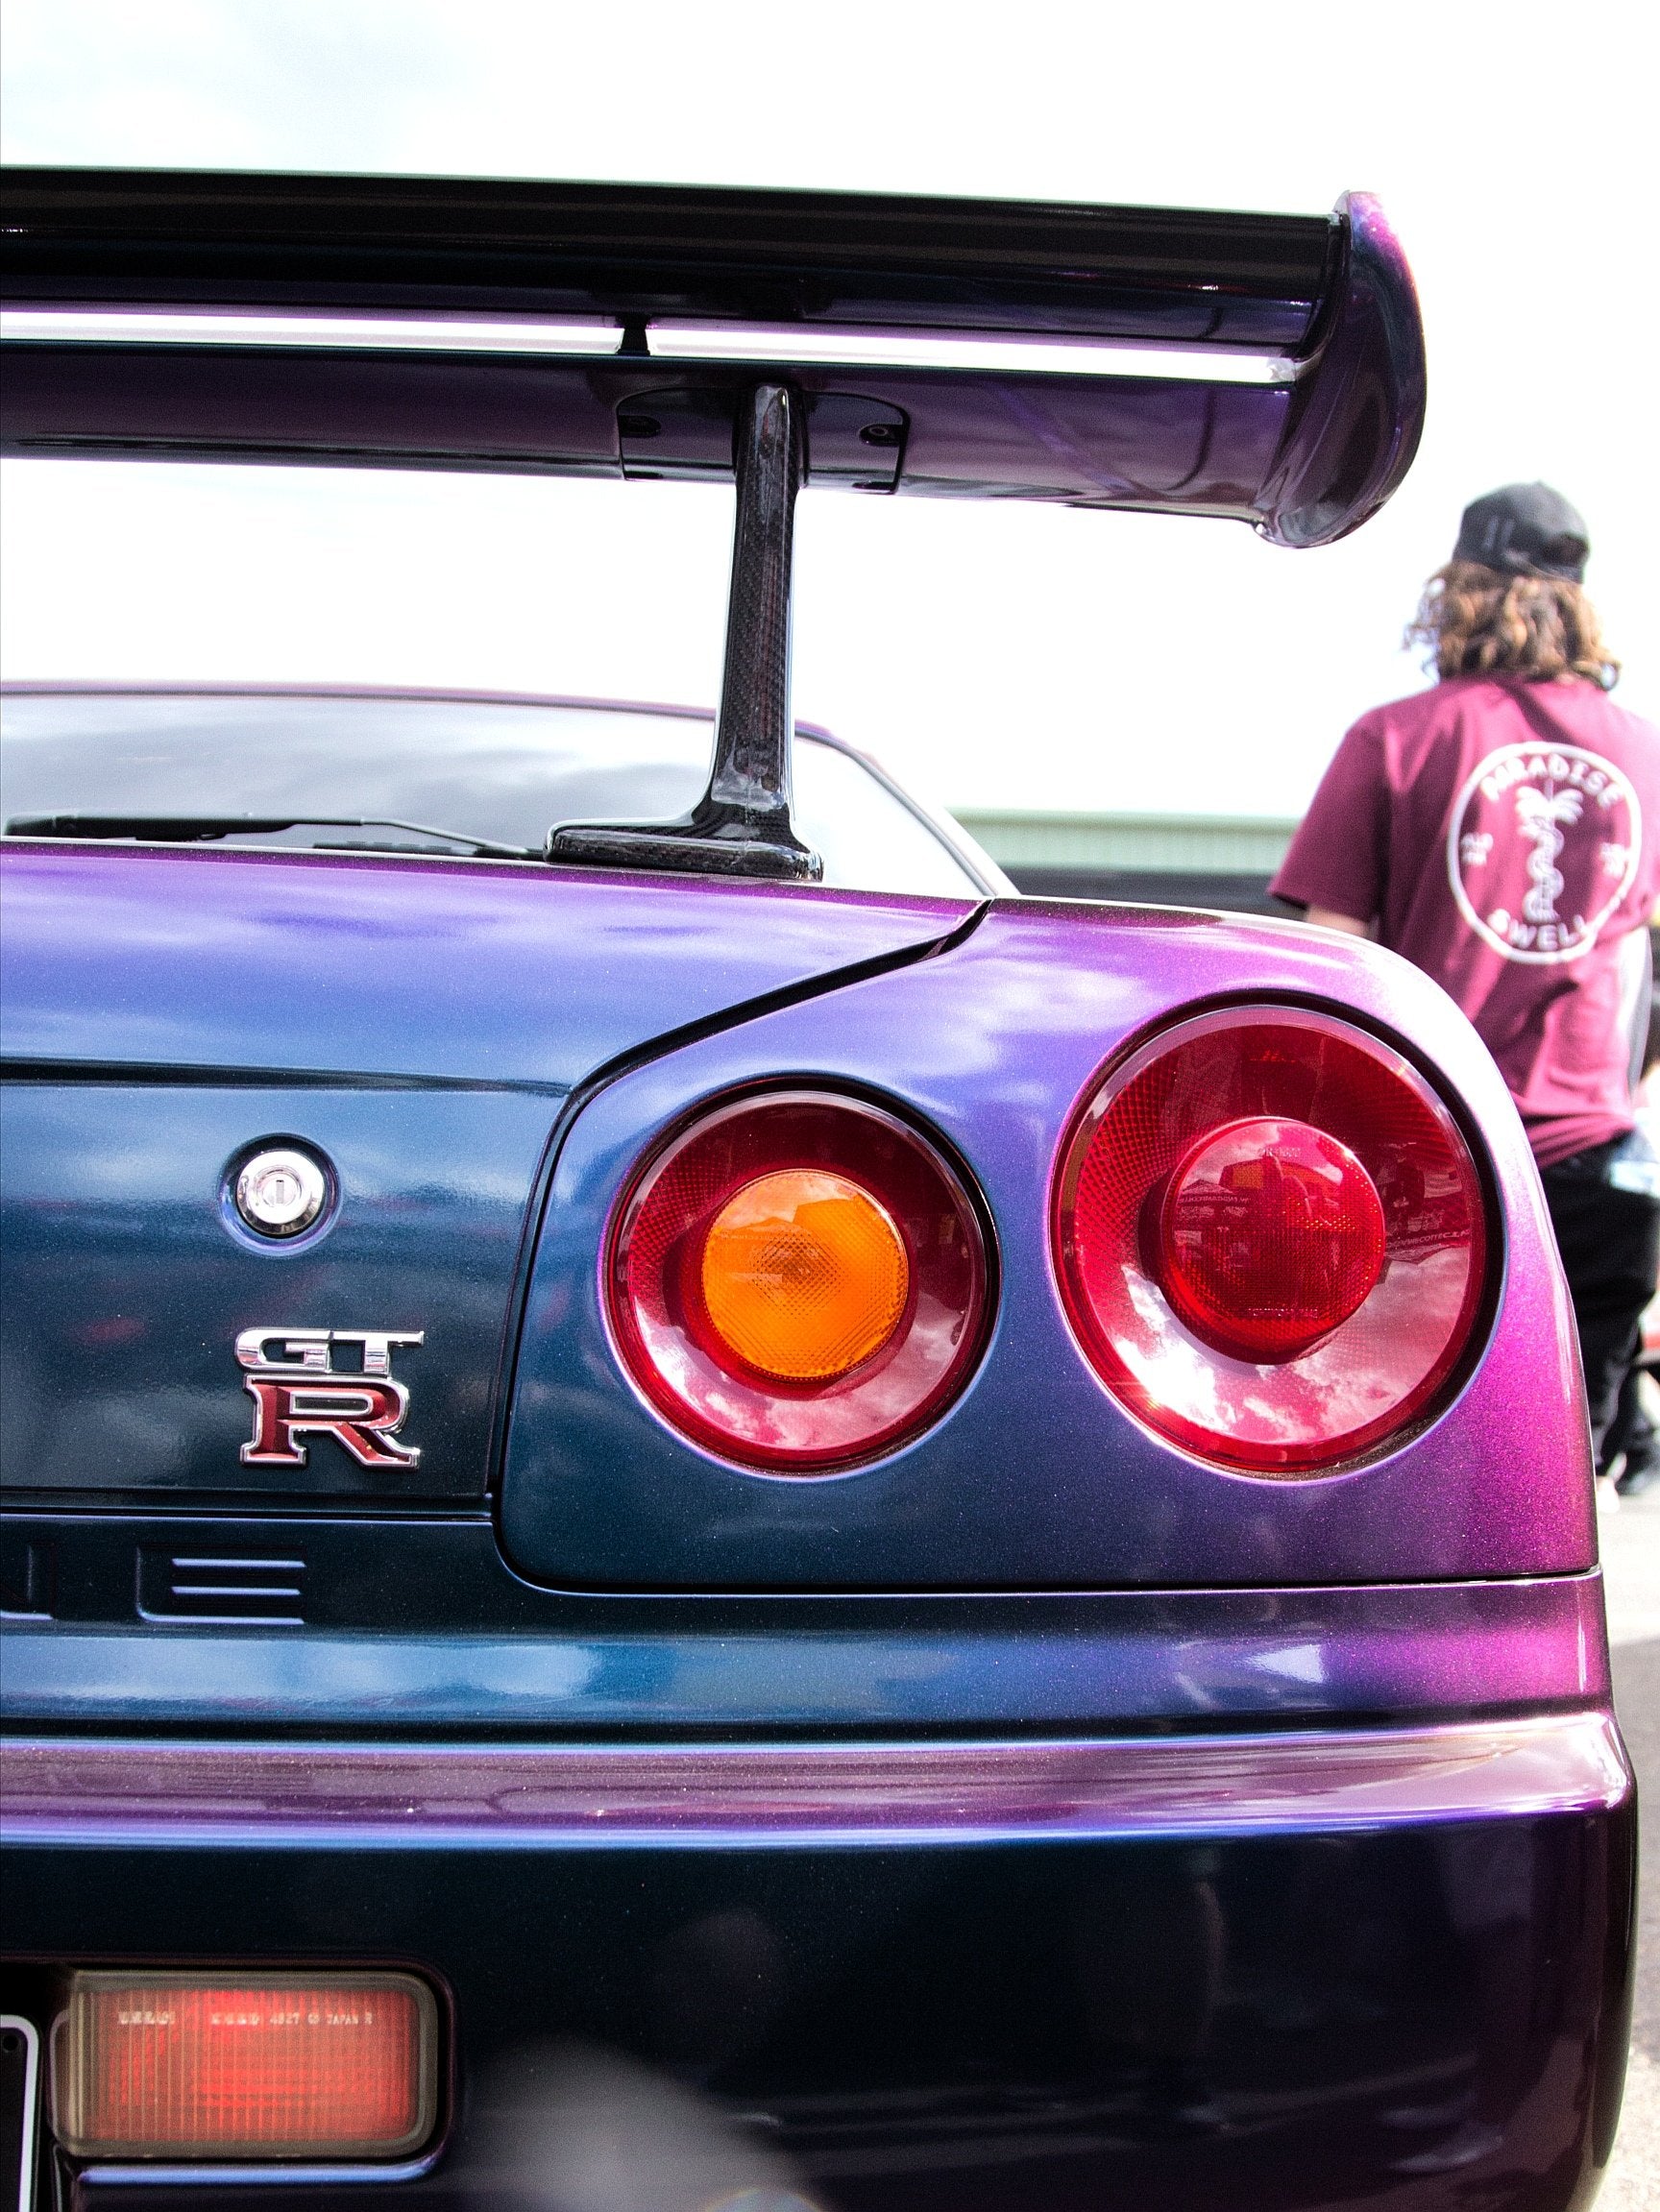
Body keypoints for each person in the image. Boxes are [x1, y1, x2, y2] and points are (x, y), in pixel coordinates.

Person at [1271, 483, 1660, 1482]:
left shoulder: (1395, 736)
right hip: (1592, 1158)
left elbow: (1334, 960)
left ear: (1458, 591)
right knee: (1557, 1483)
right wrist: (1622, 1092)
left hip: (1430, 1157)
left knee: (1413, 1470)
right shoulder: (1645, 753)